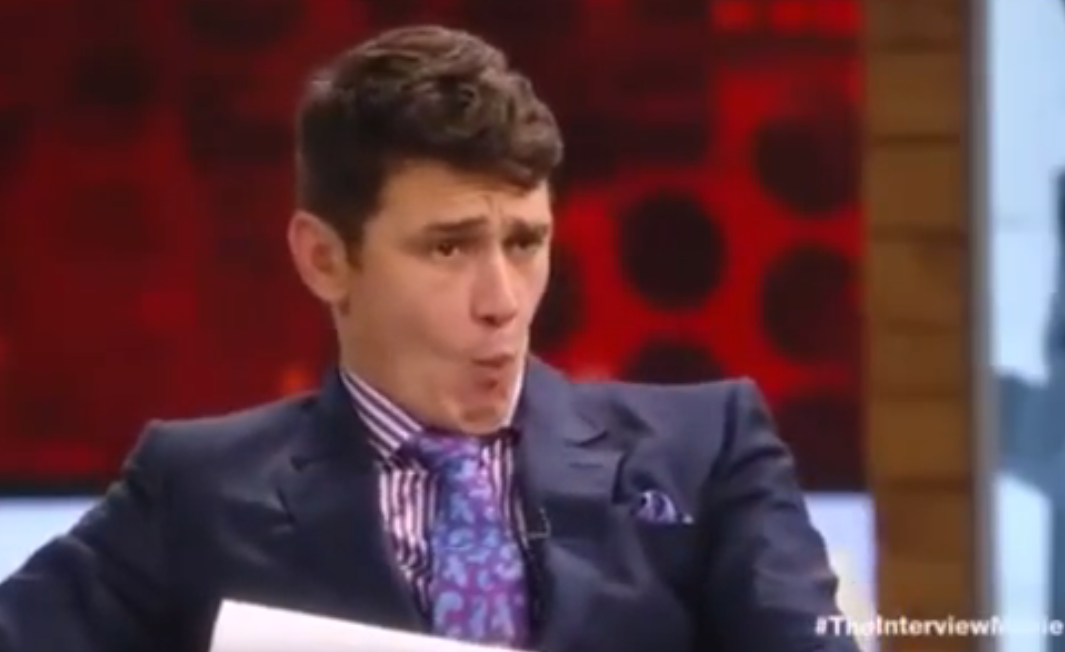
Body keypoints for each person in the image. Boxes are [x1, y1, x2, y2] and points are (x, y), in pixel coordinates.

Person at [0, 25, 859, 652]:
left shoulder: (705, 454)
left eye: (524, 243)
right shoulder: (198, 491)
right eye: (448, 248)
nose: (502, 302)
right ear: (325, 259)